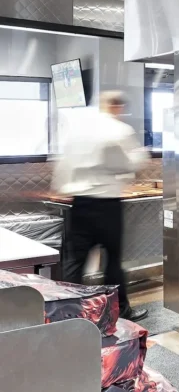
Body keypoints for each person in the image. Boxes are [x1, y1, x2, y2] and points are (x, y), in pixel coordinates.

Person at [52, 90, 150, 321]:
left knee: (75, 263)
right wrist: (137, 160)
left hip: (80, 203)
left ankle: (67, 313)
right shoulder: (119, 130)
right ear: (117, 106)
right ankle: (119, 310)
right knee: (112, 261)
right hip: (107, 205)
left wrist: (63, 188)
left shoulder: (79, 131)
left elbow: (63, 165)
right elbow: (131, 164)